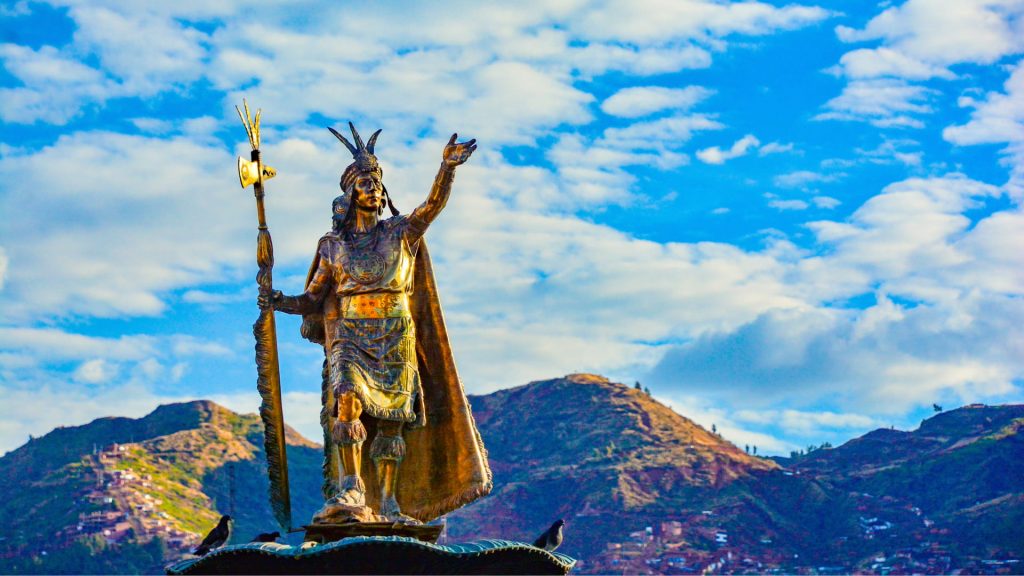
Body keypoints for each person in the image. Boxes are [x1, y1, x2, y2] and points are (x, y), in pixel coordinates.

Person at [260, 124, 491, 525]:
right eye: (366, 184)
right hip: (350, 335)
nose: (375, 190)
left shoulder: (400, 233)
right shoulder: (332, 246)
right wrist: (279, 301)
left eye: (378, 183)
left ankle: (388, 502)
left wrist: (446, 169)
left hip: (396, 333)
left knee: (391, 424)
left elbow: (430, 208)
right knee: (346, 396)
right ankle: (352, 486)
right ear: (350, 194)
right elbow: (314, 298)